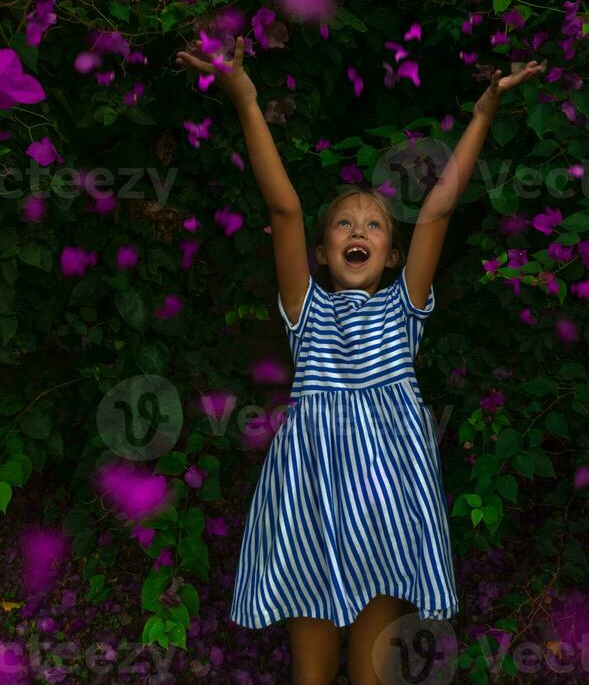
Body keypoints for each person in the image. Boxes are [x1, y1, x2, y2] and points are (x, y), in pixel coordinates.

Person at [175, 35, 543, 684]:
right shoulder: (306, 308)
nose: (358, 232)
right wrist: (245, 97)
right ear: (321, 252)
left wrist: (485, 111)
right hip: (311, 493)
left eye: (374, 225)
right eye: (344, 224)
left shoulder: (404, 305)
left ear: (394, 255)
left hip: (387, 498)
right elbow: (285, 207)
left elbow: (438, 210)